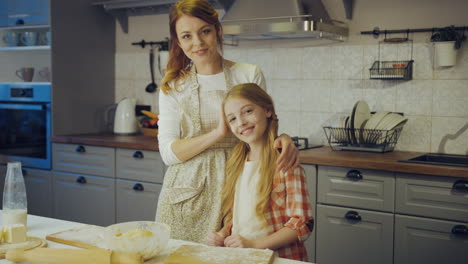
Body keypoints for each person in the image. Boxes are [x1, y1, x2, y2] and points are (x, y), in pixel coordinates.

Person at [156, 0, 300, 244]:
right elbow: (168, 153)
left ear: (217, 30)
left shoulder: (248, 73)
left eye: (205, 31)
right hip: (187, 195)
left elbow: (263, 124)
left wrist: (282, 137)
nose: (198, 43)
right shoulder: (172, 87)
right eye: (187, 36)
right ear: (178, 43)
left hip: (242, 183)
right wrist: (218, 133)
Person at [207, 83, 313, 262]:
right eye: (232, 119)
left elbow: (302, 224)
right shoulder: (236, 162)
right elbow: (239, 214)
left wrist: (254, 245)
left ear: (268, 110)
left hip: (279, 258)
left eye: (248, 111)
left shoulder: (285, 161)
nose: (241, 122)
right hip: (245, 258)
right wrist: (223, 233)